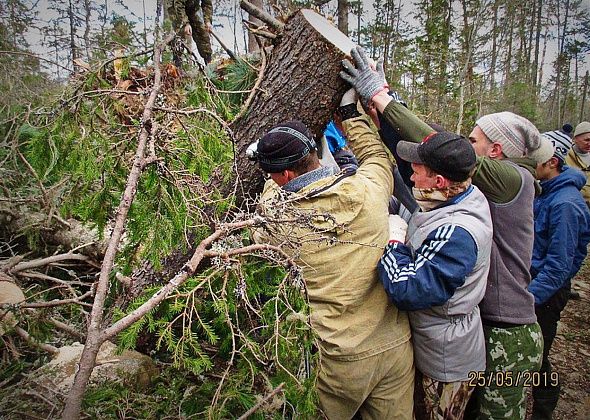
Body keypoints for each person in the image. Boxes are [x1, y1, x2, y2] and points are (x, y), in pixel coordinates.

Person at [340, 46, 548, 420]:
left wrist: (383, 98)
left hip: (505, 331)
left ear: (495, 150)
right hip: (474, 327)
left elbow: (433, 140)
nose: (466, 145)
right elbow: (430, 155)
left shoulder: (510, 180)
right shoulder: (462, 191)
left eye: (474, 140)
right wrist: (384, 108)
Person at [250, 90, 414, 419]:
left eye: (273, 174)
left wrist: (269, 182)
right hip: (394, 348)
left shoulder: (279, 223)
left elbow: (267, 206)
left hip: (338, 361)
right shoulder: (368, 192)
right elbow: (378, 159)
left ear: (283, 176)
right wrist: (351, 115)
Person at [377, 131, 493, 419]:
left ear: (438, 181)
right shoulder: (457, 193)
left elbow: (408, 288)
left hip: (446, 362)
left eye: (416, 173)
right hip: (435, 342)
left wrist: (394, 243)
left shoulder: (457, 232)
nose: (411, 179)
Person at [529, 130, 590, 419]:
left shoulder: (564, 204)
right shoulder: (546, 192)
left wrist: (529, 299)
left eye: (535, 160)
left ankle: (544, 403)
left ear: (552, 162)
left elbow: (559, 265)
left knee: (538, 355)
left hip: (546, 293)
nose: (530, 163)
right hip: (535, 285)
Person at [166, 0, 213, 65]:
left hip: (192, 8)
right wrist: (185, 23)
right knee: (179, 36)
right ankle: (176, 65)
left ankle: (209, 64)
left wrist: (207, 20)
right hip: (176, 7)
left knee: (202, 32)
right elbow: (178, 4)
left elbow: (207, 3)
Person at [565, 121, 590, 206]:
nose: (589, 144)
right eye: (587, 140)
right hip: (573, 205)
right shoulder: (565, 158)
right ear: (575, 139)